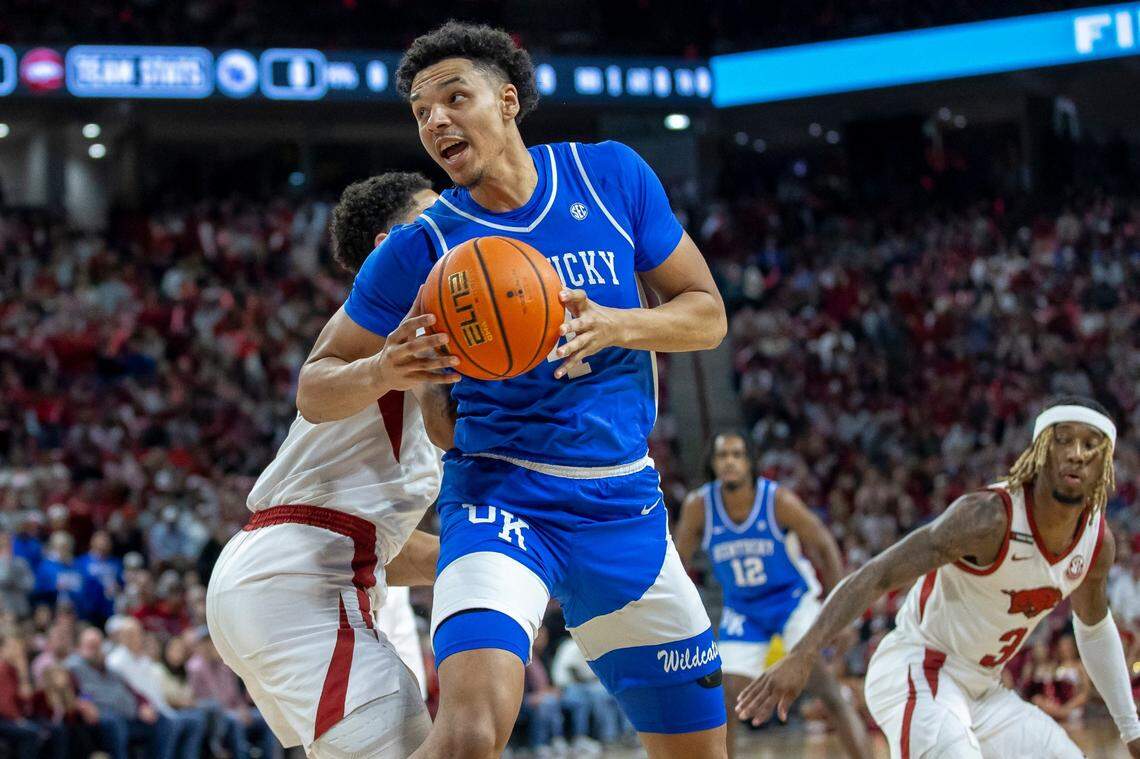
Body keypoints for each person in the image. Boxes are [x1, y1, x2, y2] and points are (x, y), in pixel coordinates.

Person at [296, 21, 728, 759]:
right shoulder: (422, 244)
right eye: (421, 112)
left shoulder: (611, 176)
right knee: (467, 736)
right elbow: (315, 385)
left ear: (506, 101)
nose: (435, 121)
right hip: (500, 501)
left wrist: (619, 323)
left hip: (625, 506)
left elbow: (708, 314)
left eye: (453, 98)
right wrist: (384, 370)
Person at [737, 396, 1140, 757]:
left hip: (984, 689)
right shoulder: (987, 516)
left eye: (1091, 445)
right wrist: (803, 653)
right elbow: (878, 575)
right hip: (918, 668)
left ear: (1105, 463)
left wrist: (1131, 729)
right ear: (1039, 451)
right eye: (1063, 440)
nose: (1076, 454)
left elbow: (1093, 629)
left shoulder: (1096, 542)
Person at [207, 171, 453, 758]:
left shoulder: (430, 336)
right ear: (391, 246)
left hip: (302, 565)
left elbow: (382, 542)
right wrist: (385, 371)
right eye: (437, 219)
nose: (458, 230)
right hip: (303, 578)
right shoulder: (384, 329)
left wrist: (506, 569)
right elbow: (311, 390)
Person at [673, 431, 869, 759]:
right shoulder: (699, 507)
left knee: (826, 689)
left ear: (750, 462)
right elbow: (678, 564)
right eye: (722, 456)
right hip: (744, 609)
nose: (730, 462)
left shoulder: (777, 500)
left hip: (791, 601)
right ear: (713, 463)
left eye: (737, 454)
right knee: (723, 701)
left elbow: (823, 544)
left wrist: (841, 613)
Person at [105, 616, 207, 759]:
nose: (136, 638)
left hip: (156, 710)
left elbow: (155, 693)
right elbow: (123, 693)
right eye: (131, 635)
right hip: (132, 714)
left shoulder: (144, 660)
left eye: (138, 634)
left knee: (195, 719)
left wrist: (163, 710)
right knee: (169, 725)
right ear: (122, 637)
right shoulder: (115, 662)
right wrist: (143, 708)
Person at [66, 627, 170, 759]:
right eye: (91, 646)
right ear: (79, 648)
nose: (96, 650)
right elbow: (76, 692)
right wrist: (85, 702)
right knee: (115, 723)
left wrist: (143, 705)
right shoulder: (74, 668)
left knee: (161, 720)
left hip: (128, 715)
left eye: (98, 646)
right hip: (102, 715)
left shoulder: (112, 671)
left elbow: (135, 693)